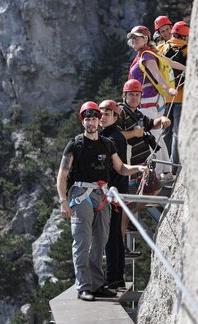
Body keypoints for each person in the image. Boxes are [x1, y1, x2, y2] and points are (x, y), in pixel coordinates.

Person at [56, 101, 148, 302]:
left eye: (94, 118)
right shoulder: (75, 144)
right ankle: (83, 287)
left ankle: (97, 285)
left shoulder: (108, 144)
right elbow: (62, 176)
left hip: (102, 196)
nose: (91, 122)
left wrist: (137, 169)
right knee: (82, 242)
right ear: (83, 122)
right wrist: (63, 201)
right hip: (81, 195)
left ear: (99, 121)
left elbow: (121, 168)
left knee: (99, 243)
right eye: (87, 119)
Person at [117, 79, 171, 253]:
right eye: (131, 94)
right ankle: (121, 243)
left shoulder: (137, 114)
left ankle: (127, 229)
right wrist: (133, 133)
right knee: (127, 205)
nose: (134, 98)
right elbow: (113, 136)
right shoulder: (120, 113)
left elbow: (150, 124)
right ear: (124, 96)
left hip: (141, 166)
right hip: (129, 167)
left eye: (137, 95)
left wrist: (161, 120)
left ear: (141, 97)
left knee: (142, 198)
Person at [126, 25, 184, 181]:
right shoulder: (150, 53)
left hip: (148, 102)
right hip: (155, 101)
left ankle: (159, 173)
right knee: (156, 135)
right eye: (131, 38)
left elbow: (157, 75)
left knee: (151, 136)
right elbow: (170, 63)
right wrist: (187, 68)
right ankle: (167, 172)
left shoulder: (146, 56)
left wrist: (167, 88)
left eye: (136, 37)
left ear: (145, 38)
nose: (133, 40)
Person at [99, 99, 127, 289]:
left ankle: (112, 277)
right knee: (115, 234)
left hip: (112, 192)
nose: (102, 116)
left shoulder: (111, 138)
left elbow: (111, 168)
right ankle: (117, 277)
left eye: (107, 113)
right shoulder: (114, 135)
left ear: (115, 117)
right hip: (118, 190)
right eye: (101, 113)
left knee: (110, 235)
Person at [159, 21, 190, 175]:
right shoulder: (187, 48)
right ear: (184, 35)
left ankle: (163, 168)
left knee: (165, 133)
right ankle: (174, 168)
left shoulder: (161, 48)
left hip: (165, 97)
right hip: (181, 96)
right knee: (177, 133)